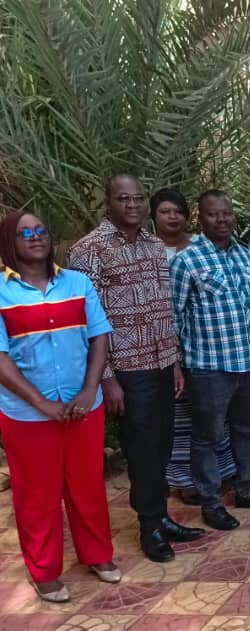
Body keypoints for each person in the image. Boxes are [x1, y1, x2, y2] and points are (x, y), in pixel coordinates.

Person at [68, 174, 204, 564]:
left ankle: (161, 517)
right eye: (123, 199)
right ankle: (149, 527)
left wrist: (173, 362)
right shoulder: (88, 250)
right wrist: (107, 378)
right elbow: (86, 320)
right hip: (127, 370)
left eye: (138, 198)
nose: (132, 205)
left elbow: (164, 307)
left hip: (161, 363)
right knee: (142, 450)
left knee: (161, 446)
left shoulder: (153, 245)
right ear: (108, 202)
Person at [0, 213, 120, 603]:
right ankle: (44, 571)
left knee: (87, 485)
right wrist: (40, 403)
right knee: (38, 494)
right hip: (27, 414)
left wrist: (89, 389)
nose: (36, 237)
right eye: (25, 233)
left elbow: (99, 337)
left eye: (41, 231)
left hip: (83, 406)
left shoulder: (77, 283)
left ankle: (98, 555)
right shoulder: (1, 292)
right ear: (9, 242)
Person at [171, 190, 250, 530]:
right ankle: (211, 501)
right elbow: (173, 315)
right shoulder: (187, 261)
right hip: (208, 367)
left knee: (246, 429)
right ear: (200, 218)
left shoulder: (246, 256)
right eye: (213, 214)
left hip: (248, 362)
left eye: (227, 213)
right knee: (207, 436)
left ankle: (247, 489)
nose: (222, 219)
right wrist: (177, 363)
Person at [152, 189, 238, 503]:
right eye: (165, 211)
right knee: (180, 419)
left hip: (207, 350)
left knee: (210, 418)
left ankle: (220, 474)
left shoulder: (202, 246)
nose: (173, 217)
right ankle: (184, 480)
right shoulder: (148, 250)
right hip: (169, 345)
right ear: (154, 216)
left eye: (178, 211)